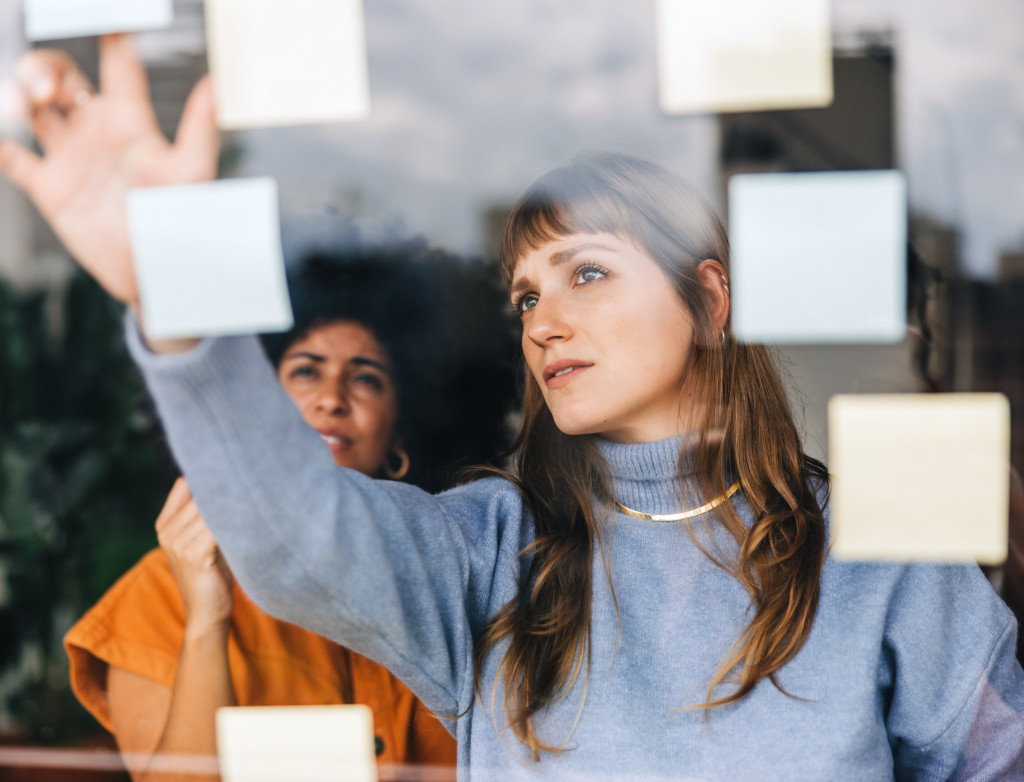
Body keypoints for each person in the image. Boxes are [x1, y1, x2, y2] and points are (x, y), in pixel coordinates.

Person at [3, 35, 1023, 781]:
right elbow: (292, 531)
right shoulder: (492, 551)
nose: (542, 322)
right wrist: (175, 306)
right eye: (526, 295)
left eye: (585, 272)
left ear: (709, 300)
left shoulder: (874, 553)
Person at [61, 246, 517, 781]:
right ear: (255, 413)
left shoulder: (461, 583)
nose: (332, 397)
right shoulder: (159, 597)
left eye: (366, 378)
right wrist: (207, 622)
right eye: (305, 371)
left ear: (400, 439)